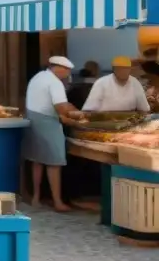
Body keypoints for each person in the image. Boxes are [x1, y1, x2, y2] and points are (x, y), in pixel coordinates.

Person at [24, 56, 85, 212]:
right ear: (58, 68)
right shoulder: (54, 82)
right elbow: (62, 108)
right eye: (67, 71)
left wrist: (73, 112)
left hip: (32, 121)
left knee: (37, 160)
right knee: (54, 163)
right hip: (47, 123)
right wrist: (80, 117)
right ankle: (57, 201)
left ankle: (36, 197)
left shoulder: (38, 77)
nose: (67, 75)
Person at [81, 56, 150, 114]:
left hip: (130, 120)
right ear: (114, 70)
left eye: (126, 69)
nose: (123, 72)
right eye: (120, 69)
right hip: (105, 121)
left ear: (130, 69)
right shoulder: (101, 83)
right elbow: (89, 110)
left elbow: (144, 109)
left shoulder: (135, 82)